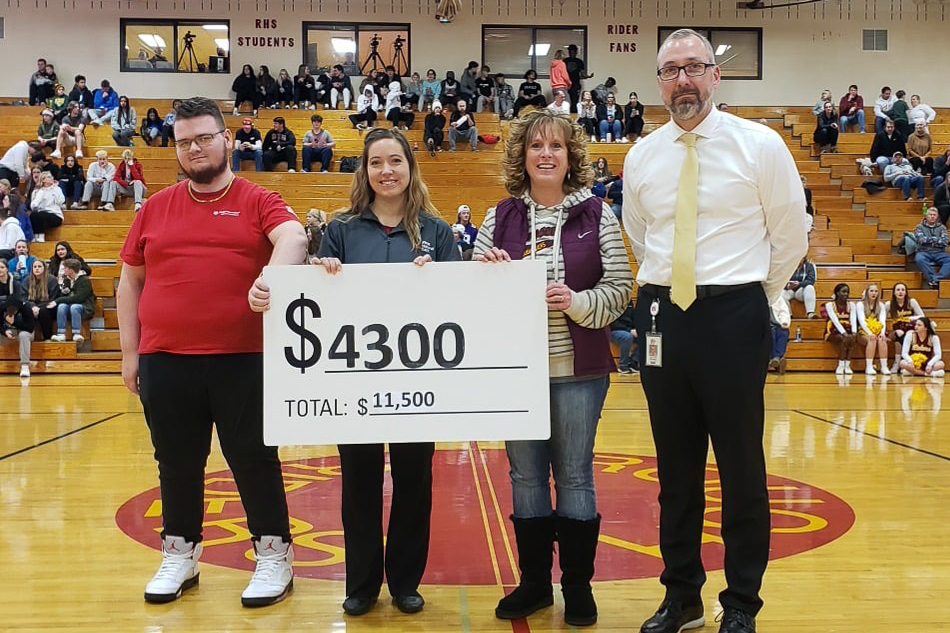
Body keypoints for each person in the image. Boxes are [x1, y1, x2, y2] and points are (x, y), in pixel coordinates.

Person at [622, 29, 808, 633]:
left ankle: (742, 605)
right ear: (659, 82)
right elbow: (640, 230)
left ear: (715, 75)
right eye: (672, 70)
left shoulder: (761, 145)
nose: (684, 80)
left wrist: (757, 299)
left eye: (695, 67)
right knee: (675, 473)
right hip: (661, 319)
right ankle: (682, 598)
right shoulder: (642, 155)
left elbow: (790, 235)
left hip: (734, 316)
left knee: (741, 472)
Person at [252, 127, 459, 617]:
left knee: (415, 483)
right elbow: (318, 304)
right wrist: (321, 275)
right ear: (364, 171)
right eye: (376, 163)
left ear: (411, 168)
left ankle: (406, 582)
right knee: (358, 484)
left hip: (416, 384)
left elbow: (459, 302)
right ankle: (362, 584)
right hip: (356, 387)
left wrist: (442, 277)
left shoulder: (438, 231)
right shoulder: (341, 230)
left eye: (395, 162)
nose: (386, 171)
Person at [117, 96, 307, 607]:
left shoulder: (258, 198)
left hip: (243, 358)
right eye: (184, 142)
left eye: (204, 137)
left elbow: (293, 236)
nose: (195, 148)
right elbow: (129, 281)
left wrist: (274, 275)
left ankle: (274, 555)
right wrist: (130, 353)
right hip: (165, 359)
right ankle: (180, 553)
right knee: (176, 462)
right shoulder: (155, 207)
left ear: (227, 139)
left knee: (252, 459)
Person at [475, 108, 632, 627]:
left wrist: (575, 301)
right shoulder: (498, 216)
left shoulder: (599, 214)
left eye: (556, 146)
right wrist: (487, 275)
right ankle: (535, 584)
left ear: (571, 157)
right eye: (536, 146)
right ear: (522, 155)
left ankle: (578, 587)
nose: (546, 154)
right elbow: (468, 295)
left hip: (579, 371)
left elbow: (619, 291)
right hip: (515, 372)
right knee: (525, 477)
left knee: (575, 476)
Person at [49, 258, 95, 342]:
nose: (63, 270)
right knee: (62, 306)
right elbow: (65, 295)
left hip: (84, 306)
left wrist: (57, 301)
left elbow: (79, 298)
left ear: (71, 269)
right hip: (70, 304)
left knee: (75, 307)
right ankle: (61, 333)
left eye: (65, 268)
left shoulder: (84, 280)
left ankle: (76, 333)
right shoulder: (67, 280)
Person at [885, 282, 924, 373]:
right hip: (896, 331)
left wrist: (908, 318)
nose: (900, 292)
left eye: (903, 290)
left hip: (909, 329)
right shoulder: (888, 304)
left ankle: (899, 363)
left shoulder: (911, 302)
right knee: (899, 333)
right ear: (894, 292)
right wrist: (884, 333)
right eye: (898, 290)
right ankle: (902, 363)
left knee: (902, 339)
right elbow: (882, 319)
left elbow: (922, 316)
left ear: (906, 292)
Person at [22, 258, 59, 342]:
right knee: (26, 308)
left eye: (39, 266)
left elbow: (53, 298)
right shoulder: (27, 280)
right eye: (34, 267)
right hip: (32, 306)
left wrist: (38, 307)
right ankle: (29, 336)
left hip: (48, 306)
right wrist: (33, 306)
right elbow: (23, 297)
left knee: (43, 311)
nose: (37, 268)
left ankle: (47, 337)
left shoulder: (52, 279)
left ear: (44, 268)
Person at [856, 282, 889, 375]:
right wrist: (870, 333)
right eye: (871, 291)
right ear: (867, 292)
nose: (873, 293)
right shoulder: (860, 305)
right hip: (863, 332)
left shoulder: (881, 305)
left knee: (882, 340)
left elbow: (883, 321)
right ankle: (869, 366)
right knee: (872, 340)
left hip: (877, 331)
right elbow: (862, 321)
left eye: (876, 291)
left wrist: (882, 333)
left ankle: (884, 366)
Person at [824, 283, 856, 374]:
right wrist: (844, 333)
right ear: (837, 293)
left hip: (848, 328)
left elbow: (853, 319)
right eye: (843, 292)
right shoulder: (830, 305)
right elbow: (835, 321)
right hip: (833, 330)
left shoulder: (852, 305)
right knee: (843, 338)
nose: (846, 294)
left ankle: (847, 365)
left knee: (853, 338)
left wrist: (854, 332)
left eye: (847, 292)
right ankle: (841, 364)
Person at [914, 207, 950, 289]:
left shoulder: (942, 227)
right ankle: (932, 278)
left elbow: (944, 242)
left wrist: (928, 239)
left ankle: (936, 278)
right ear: (926, 216)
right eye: (930, 214)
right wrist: (937, 240)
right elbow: (921, 240)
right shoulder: (919, 227)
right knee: (919, 259)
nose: (932, 216)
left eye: (934, 215)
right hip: (923, 251)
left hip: (939, 252)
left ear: (937, 216)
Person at [30, 171, 65, 240]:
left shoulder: (57, 189)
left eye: (51, 176)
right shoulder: (38, 191)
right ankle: (35, 236)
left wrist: (55, 189)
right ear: (43, 180)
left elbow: (61, 202)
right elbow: (33, 205)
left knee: (41, 215)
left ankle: (41, 236)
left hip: (55, 214)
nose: (52, 178)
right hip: (41, 213)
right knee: (33, 215)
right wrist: (40, 195)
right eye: (49, 177)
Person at [610, 301, 639, 374]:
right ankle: (623, 365)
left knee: (645, 336)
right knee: (627, 337)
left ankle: (633, 361)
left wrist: (638, 329)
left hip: (628, 330)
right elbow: (612, 323)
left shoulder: (629, 302)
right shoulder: (612, 302)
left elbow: (634, 318)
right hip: (613, 330)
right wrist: (629, 330)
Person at [564, 43, 593, 112]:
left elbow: (583, 74)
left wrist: (588, 76)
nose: (572, 54)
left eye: (573, 52)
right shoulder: (565, 61)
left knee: (574, 101)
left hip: (575, 84)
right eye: (570, 52)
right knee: (566, 101)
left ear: (576, 52)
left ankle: (573, 116)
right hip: (566, 83)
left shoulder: (579, 62)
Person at [768, 296, 790, 374]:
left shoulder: (778, 297)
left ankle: (776, 358)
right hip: (763, 325)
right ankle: (777, 359)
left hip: (776, 323)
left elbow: (783, 311)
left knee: (783, 332)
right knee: (771, 333)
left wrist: (784, 321)